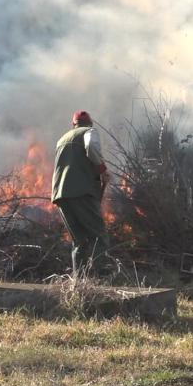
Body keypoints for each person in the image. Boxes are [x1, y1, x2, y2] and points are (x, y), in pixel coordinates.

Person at [51, 110, 111, 275]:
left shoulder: (61, 139)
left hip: (60, 195)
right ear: (90, 123)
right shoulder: (89, 132)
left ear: (73, 124)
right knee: (99, 236)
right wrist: (101, 169)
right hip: (81, 191)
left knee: (79, 241)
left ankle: (80, 282)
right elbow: (91, 146)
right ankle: (101, 280)